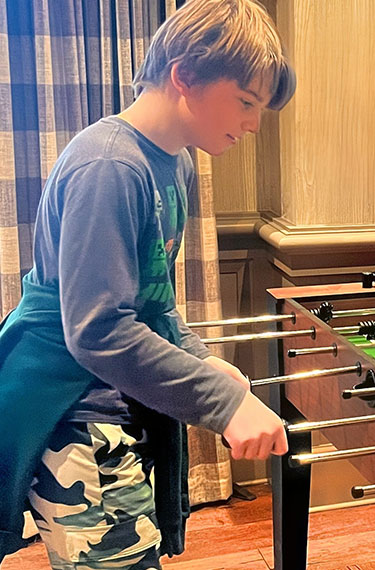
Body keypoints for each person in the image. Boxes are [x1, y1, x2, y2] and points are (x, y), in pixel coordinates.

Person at [0, 0, 294, 567]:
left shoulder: (174, 161)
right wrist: (225, 404)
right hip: (76, 414)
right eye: (245, 101)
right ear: (185, 75)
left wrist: (202, 360)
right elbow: (100, 331)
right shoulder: (110, 166)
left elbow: (152, 301)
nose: (254, 124)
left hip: (113, 406)